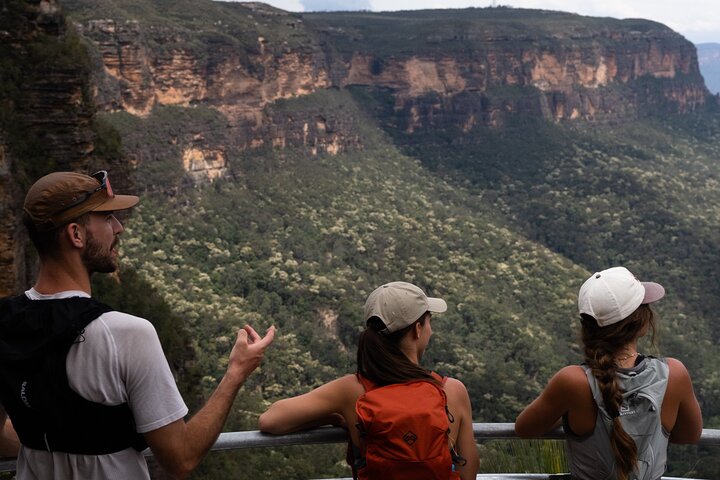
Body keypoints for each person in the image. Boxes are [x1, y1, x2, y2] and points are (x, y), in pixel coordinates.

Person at [0, 170, 275, 479]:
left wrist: (45, 434)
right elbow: (180, 459)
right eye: (106, 218)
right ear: (76, 235)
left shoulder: (5, 322)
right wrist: (235, 374)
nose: (118, 227)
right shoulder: (126, 333)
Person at [259, 281, 479, 480]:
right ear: (418, 330)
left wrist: (335, 416)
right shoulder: (451, 391)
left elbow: (271, 421)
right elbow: (468, 470)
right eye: (429, 321)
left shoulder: (352, 391)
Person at [515, 266, 702, 480]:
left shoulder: (572, 382)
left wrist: (567, 409)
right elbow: (689, 435)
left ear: (587, 327)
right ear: (640, 321)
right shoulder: (674, 374)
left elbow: (525, 428)